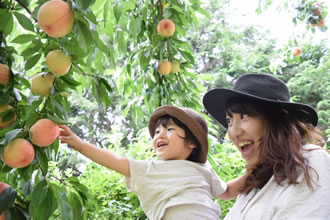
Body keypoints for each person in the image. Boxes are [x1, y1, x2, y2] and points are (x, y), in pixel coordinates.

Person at [59, 105, 246, 220]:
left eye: (169, 129)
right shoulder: (150, 169)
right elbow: (113, 160)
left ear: (191, 143)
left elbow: (227, 191)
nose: (160, 135)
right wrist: (79, 144)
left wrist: (256, 170)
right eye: (156, 132)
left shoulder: (203, 170)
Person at [203, 73, 330, 219]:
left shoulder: (309, 161)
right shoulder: (255, 184)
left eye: (244, 116)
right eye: (229, 120)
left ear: (278, 119)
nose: (234, 132)